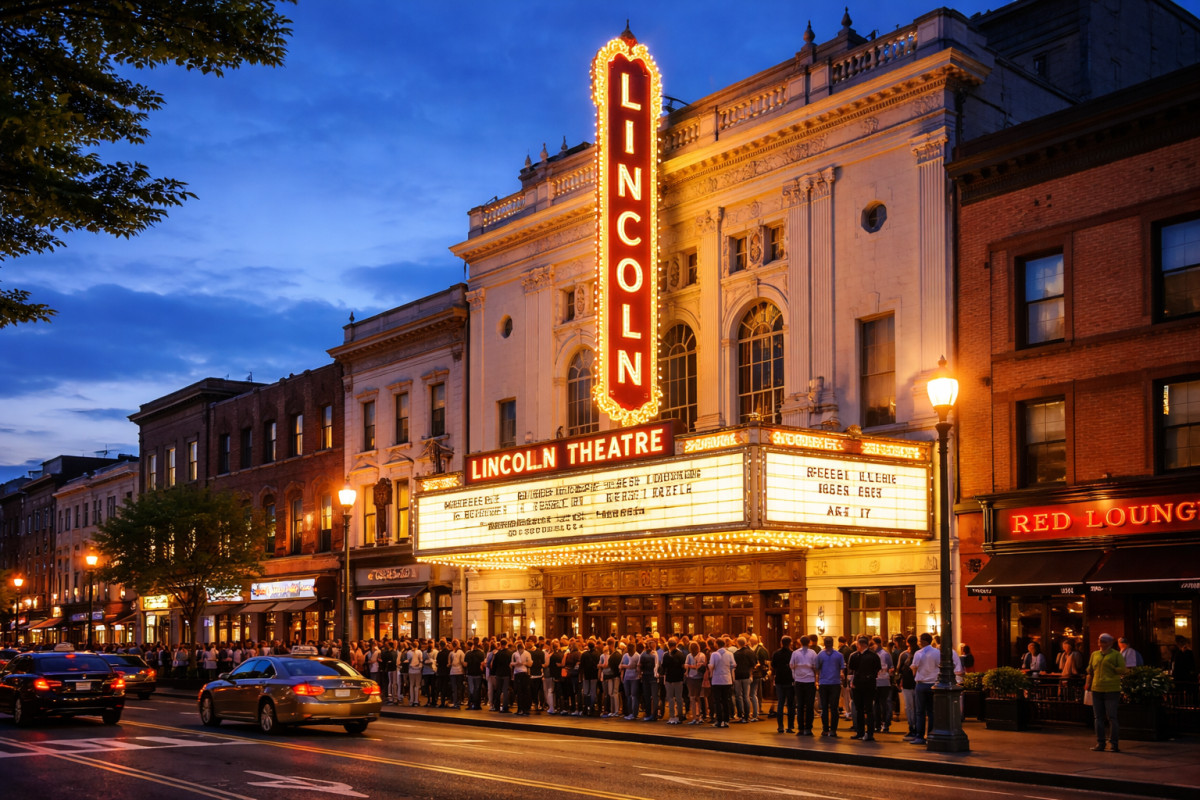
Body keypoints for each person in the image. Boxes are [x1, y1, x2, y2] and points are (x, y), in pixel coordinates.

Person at [1085, 633, 1126, 752]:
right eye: (1099, 640)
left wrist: (1112, 667)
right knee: (1098, 717)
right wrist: (1088, 678)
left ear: (1110, 643)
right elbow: (1089, 669)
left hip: (1111, 689)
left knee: (1112, 717)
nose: (1100, 643)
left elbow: (1123, 670)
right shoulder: (1095, 654)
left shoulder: (1116, 655)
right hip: (1097, 688)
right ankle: (1100, 742)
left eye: (1103, 641)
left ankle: (1113, 743)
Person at [847, 635, 881, 741]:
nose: (857, 647)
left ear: (862, 645)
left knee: (862, 709)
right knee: (866, 709)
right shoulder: (873, 655)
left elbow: (852, 668)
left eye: (857, 645)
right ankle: (867, 733)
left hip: (861, 684)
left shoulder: (856, 656)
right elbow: (877, 669)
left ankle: (862, 732)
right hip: (867, 684)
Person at [908, 632, 939, 745]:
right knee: (931, 711)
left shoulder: (918, 653)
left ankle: (920, 736)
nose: (919, 642)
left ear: (924, 641)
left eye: (920, 640)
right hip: (933, 684)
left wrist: (916, 674)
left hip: (921, 683)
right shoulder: (937, 652)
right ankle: (930, 734)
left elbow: (914, 668)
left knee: (920, 711)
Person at [816, 636, 845, 737]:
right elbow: (842, 668)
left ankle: (825, 729)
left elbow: (817, 669)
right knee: (834, 708)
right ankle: (833, 730)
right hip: (834, 683)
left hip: (824, 683)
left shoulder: (820, 655)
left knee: (824, 707)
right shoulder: (839, 655)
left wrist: (817, 681)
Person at [790, 634, 818, 736]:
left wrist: (796, 673)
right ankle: (808, 728)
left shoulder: (795, 653)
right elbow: (816, 667)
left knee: (800, 705)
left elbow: (791, 665)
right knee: (809, 706)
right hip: (810, 681)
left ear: (800, 643)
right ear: (809, 642)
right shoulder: (813, 653)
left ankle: (801, 728)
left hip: (799, 681)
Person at [709, 636, 735, 728]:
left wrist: (710, 668)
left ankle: (719, 720)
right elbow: (733, 665)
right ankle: (726, 720)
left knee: (717, 701)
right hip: (727, 679)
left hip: (717, 679)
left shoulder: (714, 654)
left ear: (717, 645)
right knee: (726, 700)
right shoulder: (730, 654)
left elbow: (712, 666)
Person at [771, 636, 795, 734]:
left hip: (779, 679)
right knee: (790, 704)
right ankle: (790, 726)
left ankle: (780, 726)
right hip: (789, 680)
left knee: (780, 703)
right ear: (790, 643)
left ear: (781, 642)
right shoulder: (792, 653)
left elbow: (773, 665)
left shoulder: (776, 653)